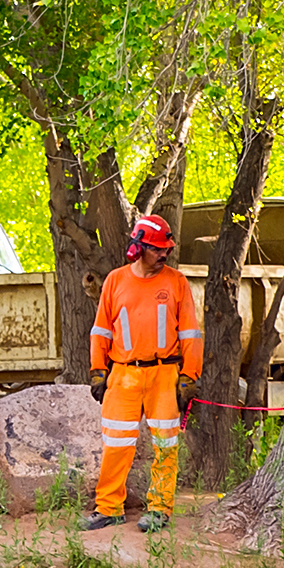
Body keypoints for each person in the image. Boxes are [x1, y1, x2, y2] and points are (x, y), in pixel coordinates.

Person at [83, 215, 202, 533]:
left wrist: (189, 376)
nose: (164, 254)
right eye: (157, 249)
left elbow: (190, 333)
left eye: (166, 249)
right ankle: (108, 507)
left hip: (165, 374)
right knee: (116, 445)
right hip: (122, 375)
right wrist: (98, 372)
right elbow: (101, 332)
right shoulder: (115, 281)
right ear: (138, 248)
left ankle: (160, 508)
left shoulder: (176, 282)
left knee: (166, 445)